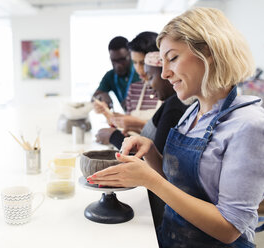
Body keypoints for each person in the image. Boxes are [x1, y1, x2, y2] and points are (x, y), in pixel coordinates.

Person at [88, 7, 264, 248]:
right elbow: (178, 183)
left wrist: (152, 181)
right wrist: (150, 152)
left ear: (209, 52)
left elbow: (230, 229)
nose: (164, 73)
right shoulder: (193, 109)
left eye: (172, 58)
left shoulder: (249, 125)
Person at [97, 51, 188, 228]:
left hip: (165, 206)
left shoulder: (175, 107)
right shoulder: (170, 104)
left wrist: (114, 136)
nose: (148, 83)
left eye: (151, 76)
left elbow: (160, 171)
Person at [95, 32, 160, 141]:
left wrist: (136, 124)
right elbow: (133, 134)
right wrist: (114, 118)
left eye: (143, 63)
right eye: (135, 62)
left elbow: (164, 136)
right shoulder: (134, 88)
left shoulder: (168, 91)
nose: (139, 70)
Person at [92, 36, 140, 112]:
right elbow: (94, 97)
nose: (118, 65)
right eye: (114, 61)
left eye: (122, 60)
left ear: (130, 54)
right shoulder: (110, 75)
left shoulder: (140, 71)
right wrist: (101, 97)